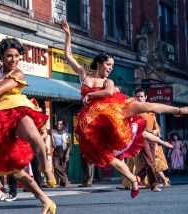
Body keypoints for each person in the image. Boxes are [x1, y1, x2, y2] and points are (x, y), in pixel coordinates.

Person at [62, 18, 188, 198]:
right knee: (107, 157)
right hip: (94, 123)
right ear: (99, 63)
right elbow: (68, 56)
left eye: (112, 66)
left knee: (145, 105)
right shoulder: (84, 75)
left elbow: (107, 93)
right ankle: (133, 179)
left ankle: (180, 110)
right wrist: (68, 35)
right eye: (108, 65)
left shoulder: (108, 81)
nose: (110, 69)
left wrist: (90, 95)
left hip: (114, 109)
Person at [0, 38, 56, 213]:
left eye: (16, 56)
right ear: (1, 56)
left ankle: (45, 167)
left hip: (17, 110)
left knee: (34, 136)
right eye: (9, 56)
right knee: (13, 169)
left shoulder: (18, 74)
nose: (14, 59)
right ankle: (46, 201)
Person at [134, 88, 162, 192]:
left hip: (152, 138)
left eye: (141, 96)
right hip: (142, 138)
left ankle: (136, 179)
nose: (139, 98)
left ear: (146, 97)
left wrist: (156, 131)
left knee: (151, 162)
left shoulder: (151, 110)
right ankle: (154, 184)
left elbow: (157, 127)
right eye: (138, 96)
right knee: (149, 162)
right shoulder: (135, 110)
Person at [50, 120, 71, 187]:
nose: (59, 126)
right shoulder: (53, 132)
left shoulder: (67, 135)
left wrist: (67, 153)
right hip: (56, 149)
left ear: (63, 126)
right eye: (58, 124)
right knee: (56, 166)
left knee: (64, 166)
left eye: (60, 124)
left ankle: (63, 183)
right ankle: (65, 179)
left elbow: (69, 145)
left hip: (64, 150)